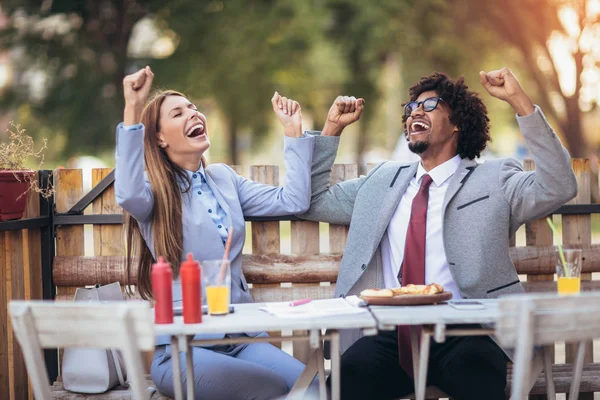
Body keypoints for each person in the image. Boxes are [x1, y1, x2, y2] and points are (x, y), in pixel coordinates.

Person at [299, 67, 577, 399]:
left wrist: (520, 102)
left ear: (457, 123)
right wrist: (331, 130)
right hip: (389, 333)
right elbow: (313, 201)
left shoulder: (494, 180)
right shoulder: (381, 181)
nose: (415, 111)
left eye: (429, 106)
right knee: (349, 377)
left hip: (467, 333)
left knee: (477, 377)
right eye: (411, 108)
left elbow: (559, 185)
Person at [115, 66, 316, 400]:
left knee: (313, 387)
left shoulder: (225, 179)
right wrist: (133, 110)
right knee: (269, 387)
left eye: (193, 107)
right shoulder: (154, 193)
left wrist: (293, 133)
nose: (193, 113)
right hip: (183, 349)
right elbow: (128, 194)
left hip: (240, 339)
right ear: (160, 138)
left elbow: (293, 200)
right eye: (178, 113)